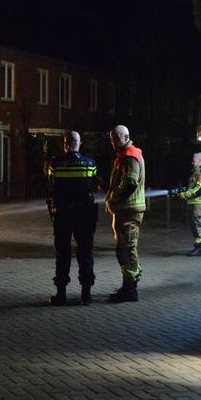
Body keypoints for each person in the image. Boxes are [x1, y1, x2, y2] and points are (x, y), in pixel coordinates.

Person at [46, 131, 98, 306]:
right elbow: (93, 186)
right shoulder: (90, 164)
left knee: (62, 254)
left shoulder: (56, 165)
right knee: (85, 254)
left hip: (63, 215)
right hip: (85, 215)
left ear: (65, 144)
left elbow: (51, 186)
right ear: (79, 144)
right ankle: (86, 295)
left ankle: (61, 294)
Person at [105, 125, 146, 303]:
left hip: (129, 210)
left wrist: (114, 199)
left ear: (126, 136)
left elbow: (130, 183)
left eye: (116, 139)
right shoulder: (125, 155)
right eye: (112, 139)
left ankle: (130, 290)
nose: (114, 143)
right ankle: (128, 286)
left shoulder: (130, 156)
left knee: (127, 249)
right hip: (126, 210)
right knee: (123, 249)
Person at [178, 152, 201, 256]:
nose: (192, 162)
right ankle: (199, 246)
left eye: (194, 160)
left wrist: (186, 194)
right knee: (194, 225)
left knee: (199, 225)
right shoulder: (196, 172)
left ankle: (200, 248)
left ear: (200, 160)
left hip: (200, 204)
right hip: (195, 204)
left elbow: (200, 188)